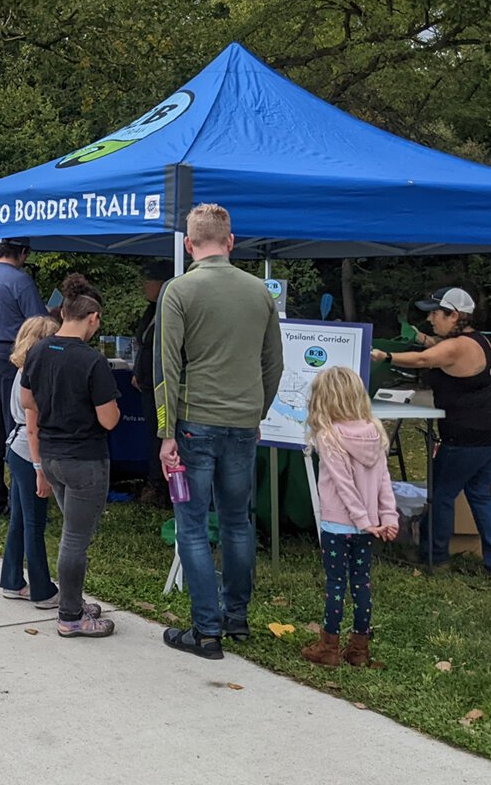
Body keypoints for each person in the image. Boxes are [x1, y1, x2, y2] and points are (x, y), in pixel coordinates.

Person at [154, 203, 284, 660]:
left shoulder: (179, 291)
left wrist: (166, 431)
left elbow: (166, 366)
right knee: (237, 521)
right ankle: (237, 617)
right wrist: (256, 411)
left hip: (193, 423)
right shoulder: (260, 293)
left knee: (192, 524)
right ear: (231, 243)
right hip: (244, 422)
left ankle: (206, 631)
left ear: (189, 245)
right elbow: (275, 364)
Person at [372, 286, 491, 577]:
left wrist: (385, 355)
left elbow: (425, 359)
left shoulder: (456, 347)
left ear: (455, 315)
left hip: (469, 436)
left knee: (440, 494)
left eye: (436, 314)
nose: (431, 319)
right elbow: (435, 347)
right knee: (479, 494)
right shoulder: (478, 341)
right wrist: (420, 338)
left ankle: (434, 557)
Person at [20, 293, 121, 638]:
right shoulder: (92, 361)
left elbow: (26, 400)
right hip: (85, 459)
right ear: (92, 318)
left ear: (64, 313)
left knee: (70, 534)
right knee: (75, 539)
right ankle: (70, 615)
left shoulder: (39, 350)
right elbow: (108, 420)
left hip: (50, 455)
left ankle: (74, 603)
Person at [299, 367, 398, 668]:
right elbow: (383, 481)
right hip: (367, 526)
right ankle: (359, 650)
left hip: (337, 524)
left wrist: (361, 520)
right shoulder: (375, 430)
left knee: (336, 585)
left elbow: (343, 485)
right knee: (361, 585)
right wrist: (387, 518)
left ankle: (329, 647)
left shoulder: (329, 436)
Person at [0, 239, 49, 516]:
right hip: (12, 355)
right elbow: (40, 324)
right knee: (16, 423)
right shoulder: (20, 281)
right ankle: (20, 497)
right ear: (23, 253)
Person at [0, 315, 62, 610]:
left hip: (17, 446)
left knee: (20, 520)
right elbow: (34, 425)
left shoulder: (21, 370)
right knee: (34, 522)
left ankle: (12, 578)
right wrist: (41, 469)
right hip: (29, 450)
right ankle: (42, 588)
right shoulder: (34, 376)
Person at [132, 260, 174, 504]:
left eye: (149, 280)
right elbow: (145, 345)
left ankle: (161, 486)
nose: (145, 285)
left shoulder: (170, 310)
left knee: (161, 434)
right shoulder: (152, 310)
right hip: (147, 381)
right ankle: (155, 482)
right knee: (152, 434)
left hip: (161, 384)